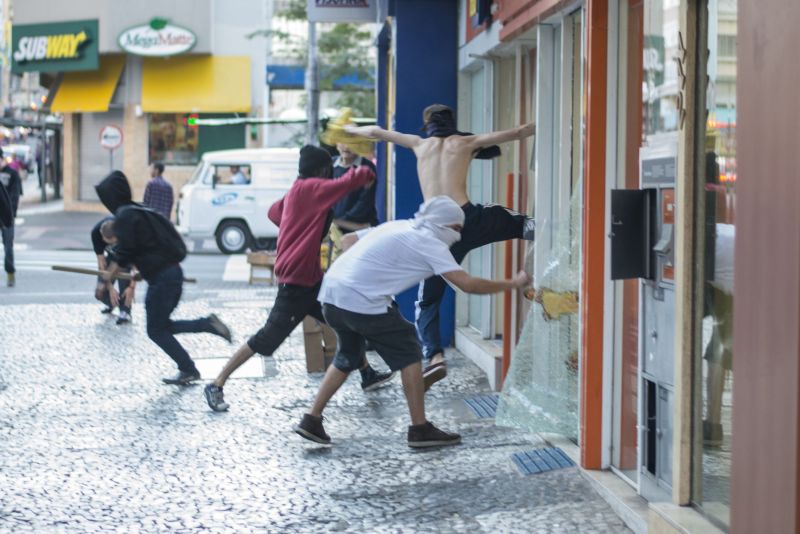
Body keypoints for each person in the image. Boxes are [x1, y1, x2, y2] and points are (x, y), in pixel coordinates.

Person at [294, 196, 531, 447]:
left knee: (347, 355)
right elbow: (467, 284)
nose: (459, 237)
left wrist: (364, 272)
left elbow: (348, 240)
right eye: (458, 230)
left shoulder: (399, 226)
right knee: (410, 350)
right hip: (360, 299)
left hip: (332, 295)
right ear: (446, 225)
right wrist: (512, 283)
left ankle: (312, 419)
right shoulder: (431, 243)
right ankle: (419, 429)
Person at [345, 104, 535, 389]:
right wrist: (549, 119)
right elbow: (519, 132)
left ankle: (434, 357)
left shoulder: (419, 144)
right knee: (509, 219)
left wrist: (349, 130)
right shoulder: (464, 142)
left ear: (426, 122)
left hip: (435, 232)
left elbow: (377, 132)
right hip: (467, 218)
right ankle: (544, 231)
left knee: (428, 299)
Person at [203, 146, 394, 413]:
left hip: (312, 281)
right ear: (321, 170)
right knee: (266, 339)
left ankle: (367, 373)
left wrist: (297, 227)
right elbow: (346, 183)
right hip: (295, 283)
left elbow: (274, 212)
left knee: (344, 323)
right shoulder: (309, 189)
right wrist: (364, 172)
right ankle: (216, 383)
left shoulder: (298, 190)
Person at [96, 170, 232, 385]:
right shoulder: (137, 210)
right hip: (169, 275)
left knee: (156, 330)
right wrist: (143, 271)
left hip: (163, 281)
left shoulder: (125, 216)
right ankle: (200, 339)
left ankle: (193, 356)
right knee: (161, 327)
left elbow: (123, 255)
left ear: (110, 196)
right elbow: (146, 248)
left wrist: (105, 283)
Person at [91, 217, 135, 324]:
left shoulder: (127, 234)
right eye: (107, 242)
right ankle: (113, 303)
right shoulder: (96, 234)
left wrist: (131, 287)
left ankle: (125, 312)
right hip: (111, 258)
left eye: (113, 242)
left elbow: (135, 264)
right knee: (99, 291)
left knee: (124, 275)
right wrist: (110, 288)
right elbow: (101, 264)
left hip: (126, 259)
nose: (110, 244)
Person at [0, 147, 22, 287]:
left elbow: (15, 194)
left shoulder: (12, 174)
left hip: (7, 216)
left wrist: (12, 213)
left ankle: (10, 273)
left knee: (8, 246)